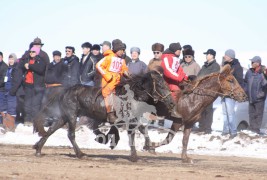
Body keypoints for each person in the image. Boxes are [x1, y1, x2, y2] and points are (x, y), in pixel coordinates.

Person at [96, 39, 128, 123]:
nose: (122, 52)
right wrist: (107, 76)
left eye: (123, 50)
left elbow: (124, 69)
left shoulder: (122, 60)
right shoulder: (108, 57)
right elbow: (98, 65)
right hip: (108, 82)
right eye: (121, 50)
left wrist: (127, 74)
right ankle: (110, 114)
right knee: (108, 94)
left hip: (118, 82)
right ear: (116, 49)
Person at [20, 46, 47, 125]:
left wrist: (30, 66)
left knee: (36, 104)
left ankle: (34, 119)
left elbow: (40, 69)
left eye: (33, 52)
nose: (31, 53)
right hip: (28, 84)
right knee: (27, 103)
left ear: (37, 52)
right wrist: (24, 66)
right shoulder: (26, 59)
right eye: (30, 52)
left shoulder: (41, 60)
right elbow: (20, 66)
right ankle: (27, 119)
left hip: (38, 85)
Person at [197, 49, 220, 134]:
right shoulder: (204, 66)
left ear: (212, 55)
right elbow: (199, 76)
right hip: (201, 91)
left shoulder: (216, 66)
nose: (206, 56)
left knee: (208, 110)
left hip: (209, 91)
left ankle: (207, 129)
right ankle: (201, 127)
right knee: (201, 109)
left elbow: (213, 78)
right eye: (206, 54)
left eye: (207, 54)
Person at [221, 49, 243, 138]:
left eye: (226, 55)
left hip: (231, 93)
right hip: (223, 93)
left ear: (230, 57)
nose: (224, 56)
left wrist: (230, 81)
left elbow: (239, 80)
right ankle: (225, 130)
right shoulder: (226, 65)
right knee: (225, 113)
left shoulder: (237, 67)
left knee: (230, 113)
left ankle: (233, 131)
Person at [244, 56, 267, 134]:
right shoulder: (249, 72)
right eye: (251, 62)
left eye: (253, 62)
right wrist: (246, 91)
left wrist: (260, 94)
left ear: (258, 63)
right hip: (250, 97)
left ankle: (256, 130)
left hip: (259, 98)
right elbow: (245, 82)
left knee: (258, 114)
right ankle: (252, 129)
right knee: (251, 114)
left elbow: (265, 84)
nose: (252, 63)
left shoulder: (263, 72)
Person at [0, 54, 19, 131]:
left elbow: (17, 81)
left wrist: (12, 91)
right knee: (4, 108)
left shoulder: (17, 69)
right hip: (6, 91)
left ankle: (10, 127)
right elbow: (5, 80)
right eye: (9, 59)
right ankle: (5, 125)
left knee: (11, 109)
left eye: (12, 59)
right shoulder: (9, 68)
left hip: (11, 92)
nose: (10, 61)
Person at [0, 52, 8, 125]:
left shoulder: (5, 67)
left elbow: (4, 80)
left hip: (1, 90)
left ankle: (2, 122)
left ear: (2, 57)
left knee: (1, 106)